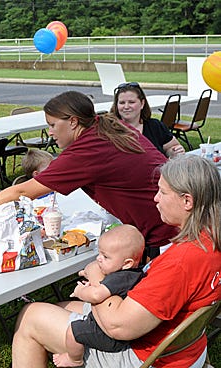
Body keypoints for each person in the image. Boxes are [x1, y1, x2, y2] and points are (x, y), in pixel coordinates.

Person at [12, 155, 221, 367]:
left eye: (162, 192)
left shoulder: (182, 261)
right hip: (186, 350)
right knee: (62, 307)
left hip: (146, 357)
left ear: (187, 201)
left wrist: (96, 277)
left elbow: (118, 328)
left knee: (31, 317)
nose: (155, 198)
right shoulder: (210, 240)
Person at [0, 91, 178, 259]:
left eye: (53, 125)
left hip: (166, 231)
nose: (50, 132)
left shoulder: (86, 150)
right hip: (179, 214)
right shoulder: (106, 126)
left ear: (73, 122)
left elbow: (23, 190)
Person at [53, 224, 145, 367]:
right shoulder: (132, 274)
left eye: (105, 257)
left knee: (73, 331)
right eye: (100, 253)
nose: (99, 258)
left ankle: (75, 359)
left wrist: (80, 292)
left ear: (127, 263)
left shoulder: (120, 278)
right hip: (118, 330)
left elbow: (96, 295)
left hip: (107, 336)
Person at [110, 82, 185, 158]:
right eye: (122, 103)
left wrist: (173, 152)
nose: (126, 106)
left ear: (142, 103)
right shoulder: (109, 130)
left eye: (131, 102)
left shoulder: (155, 126)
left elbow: (172, 146)